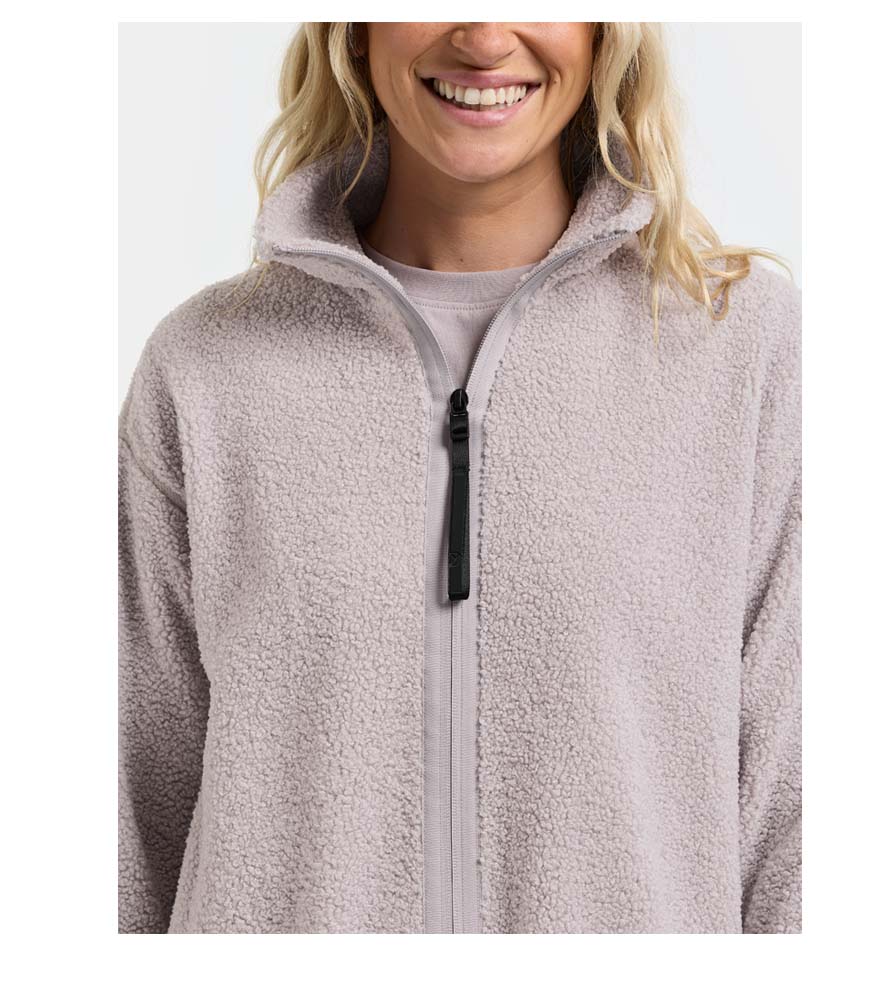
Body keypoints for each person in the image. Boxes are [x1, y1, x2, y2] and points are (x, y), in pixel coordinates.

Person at [118, 22, 801, 934]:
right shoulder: (206, 368)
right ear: (355, 29)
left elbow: (801, 806)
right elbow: (128, 810)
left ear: (605, 31)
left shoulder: (740, 349)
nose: (482, 37)